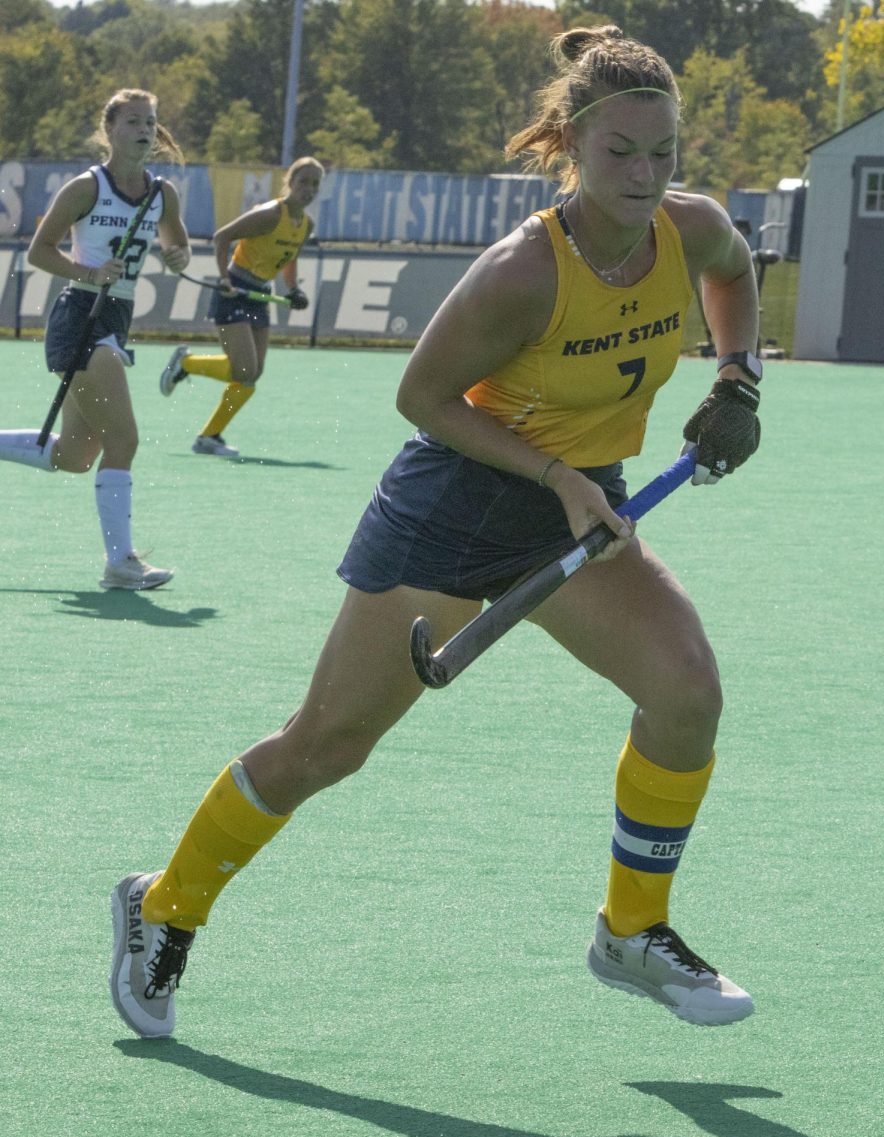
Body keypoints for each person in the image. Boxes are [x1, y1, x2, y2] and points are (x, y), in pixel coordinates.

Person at [109, 26, 763, 1039]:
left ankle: (633, 930)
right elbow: (421, 394)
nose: (642, 175)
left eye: (662, 153)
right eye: (619, 154)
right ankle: (163, 907)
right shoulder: (524, 272)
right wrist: (554, 473)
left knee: (687, 693)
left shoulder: (692, 228)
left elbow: (733, 274)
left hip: (579, 509)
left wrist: (737, 378)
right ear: (575, 150)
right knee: (327, 745)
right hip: (458, 507)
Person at [0, 89, 190, 589]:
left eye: (150, 121)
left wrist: (177, 258)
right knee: (123, 439)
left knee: (76, 456)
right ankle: (121, 563)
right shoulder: (87, 187)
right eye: (132, 122)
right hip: (81, 317)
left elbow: (179, 244)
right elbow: (40, 252)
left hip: (116, 319)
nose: (145, 130)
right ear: (110, 130)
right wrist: (89, 271)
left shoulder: (161, 194)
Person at [159, 157, 324, 456]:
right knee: (245, 368)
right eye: (303, 182)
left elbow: (289, 258)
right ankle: (186, 363)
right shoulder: (271, 214)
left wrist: (293, 288)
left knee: (252, 375)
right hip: (234, 290)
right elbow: (222, 237)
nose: (309, 189)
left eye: (315, 184)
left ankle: (209, 437)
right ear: (290, 182)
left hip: (260, 293)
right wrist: (224, 278)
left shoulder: (306, 224)